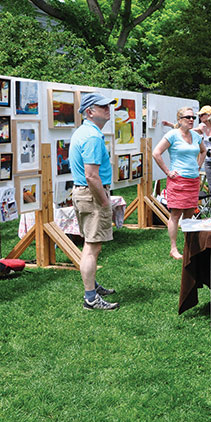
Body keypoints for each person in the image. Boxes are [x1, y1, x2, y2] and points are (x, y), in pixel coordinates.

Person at [70, 92, 119, 310]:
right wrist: (105, 202)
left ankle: (92, 286)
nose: (108, 110)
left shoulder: (85, 132)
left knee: (91, 244)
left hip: (85, 194)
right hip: (91, 195)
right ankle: (90, 298)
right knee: (92, 246)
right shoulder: (91, 136)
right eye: (103, 107)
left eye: (109, 106)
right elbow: (91, 175)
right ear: (90, 111)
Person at [152, 107, 206, 260]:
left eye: (193, 117)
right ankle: (173, 248)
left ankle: (189, 246)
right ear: (179, 119)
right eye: (188, 117)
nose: (191, 120)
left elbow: (203, 151)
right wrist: (168, 172)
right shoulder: (172, 135)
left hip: (193, 180)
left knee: (189, 214)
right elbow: (156, 153)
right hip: (178, 180)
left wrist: (199, 165)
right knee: (176, 215)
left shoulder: (196, 136)